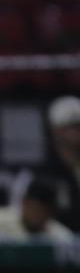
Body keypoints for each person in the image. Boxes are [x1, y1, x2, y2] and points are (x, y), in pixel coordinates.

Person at [0, 176, 73, 241]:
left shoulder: (60, 236)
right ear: (24, 203)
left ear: (50, 212)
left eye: (44, 210)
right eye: (34, 208)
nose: (37, 214)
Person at [43, 95, 80, 232]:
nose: (78, 132)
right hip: (54, 241)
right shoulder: (43, 171)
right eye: (74, 126)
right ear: (57, 131)